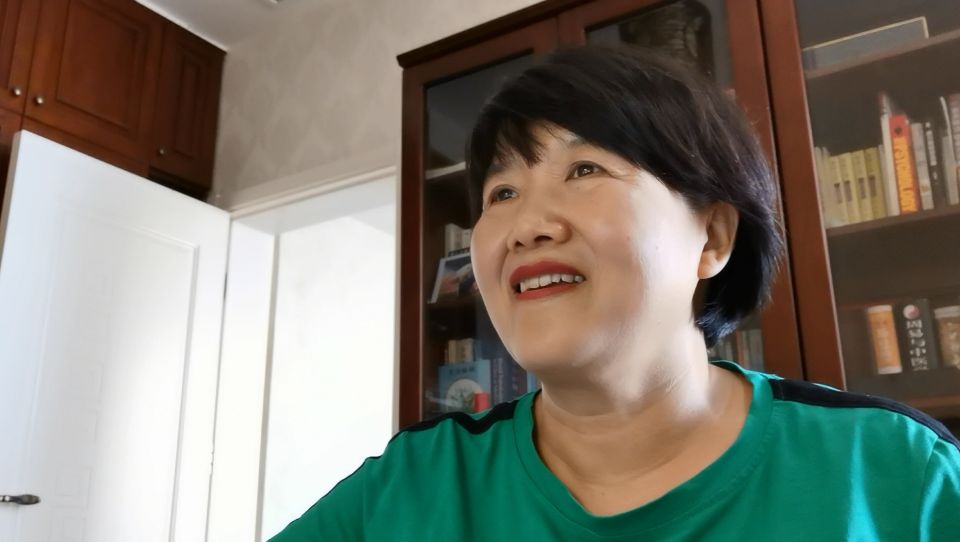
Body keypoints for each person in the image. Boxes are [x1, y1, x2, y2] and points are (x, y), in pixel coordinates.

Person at [270, 45, 960, 541]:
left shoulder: (895, 470)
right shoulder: (411, 485)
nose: (527, 225)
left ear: (712, 237)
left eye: (584, 170)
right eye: (502, 192)